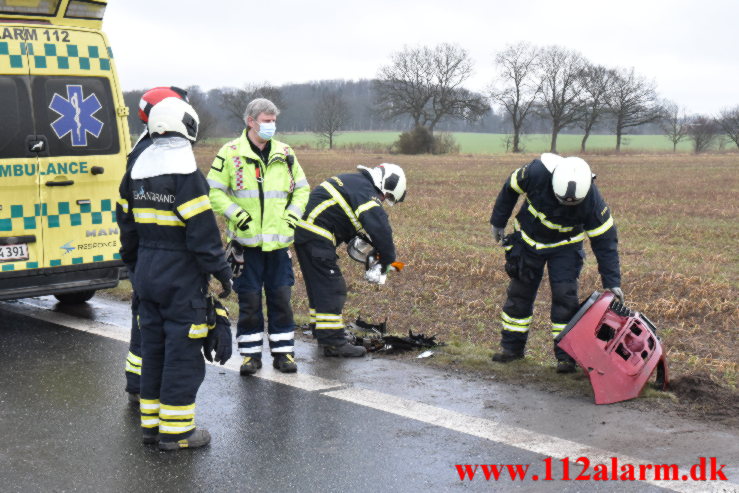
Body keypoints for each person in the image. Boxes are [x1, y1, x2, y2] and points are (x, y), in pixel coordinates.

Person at [117, 96, 232, 450]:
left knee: (153, 350)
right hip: (180, 279)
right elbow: (202, 236)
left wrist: (137, 267)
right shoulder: (187, 177)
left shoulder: (134, 175)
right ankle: (177, 433)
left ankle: (151, 426)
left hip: (147, 275)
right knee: (182, 356)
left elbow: (127, 227)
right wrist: (223, 273)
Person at [489, 153, 622, 373]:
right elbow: (509, 189)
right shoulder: (535, 172)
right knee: (519, 295)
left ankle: (565, 358)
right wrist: (498, 222)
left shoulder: (592, 200)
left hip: (565, 248)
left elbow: (605, 241)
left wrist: (612, 281)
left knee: (565, 299)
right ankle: (511, 349)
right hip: (529, 240)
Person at [207, 98, 309, 375]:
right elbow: (214, 191)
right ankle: (250, 356)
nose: (271, 126)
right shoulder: (229, 153)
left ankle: (284, 354)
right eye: (266, 121)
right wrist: (237, 215)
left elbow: (302, 189)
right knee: (249, 302)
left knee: (281, 300)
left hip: (278, 245)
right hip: (246, 245)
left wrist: (292, 216)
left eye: (274, 121)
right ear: (251, 121)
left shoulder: (285, 153)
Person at [294, 163, 406, 357]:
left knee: (319, 289)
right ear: (385, 184)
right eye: (386, 196)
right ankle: (334, 343)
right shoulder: (366, 191)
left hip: (308, 235)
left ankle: (323, 333)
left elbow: (337, 214)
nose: (382, 200)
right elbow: (380, 226)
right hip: (316, 236)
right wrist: (389, 259)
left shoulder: (354, 182)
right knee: (333, 288)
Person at [123, 86, 190, 403]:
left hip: (146, 255)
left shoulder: (145, 147)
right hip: (159, 256)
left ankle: (139, 384)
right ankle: (147, 388)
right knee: (151, 324)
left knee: (145, 319)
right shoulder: (156, 151)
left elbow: (126, 212)